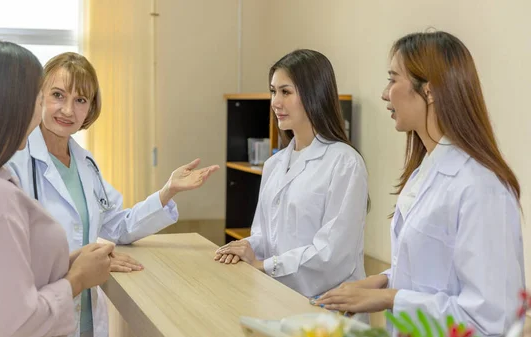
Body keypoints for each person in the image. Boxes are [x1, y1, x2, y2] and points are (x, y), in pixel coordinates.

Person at [314, 31, 524, 336]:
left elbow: (492, 318)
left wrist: (389, 298)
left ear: (430, 90)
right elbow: (432, 268)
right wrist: (383, 280)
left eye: (393, 79)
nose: (385, 94)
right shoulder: (426, 169)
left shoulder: (481, 186)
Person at [7, 52, 219, 337]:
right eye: (58, 95)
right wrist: (82, 264)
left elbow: (118, 225)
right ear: (39, 96)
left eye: (80, 100)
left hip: (83, 319)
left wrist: (168, 191)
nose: (68, 110)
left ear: (90, 108)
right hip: (34, 319)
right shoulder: (14, 161)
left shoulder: (85, 164)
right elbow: (8, 255)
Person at [0, 40, 113, 337]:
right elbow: (16, 320)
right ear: (11, 106)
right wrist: (78, 278)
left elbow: (6, 272)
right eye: (42, 97)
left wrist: (73, 261)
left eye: (80, 100)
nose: (47, 107)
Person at [215, 49, 369, 299]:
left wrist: (263, 266)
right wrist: (244, 248)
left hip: (325, 309)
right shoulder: (274, 164)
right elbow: (265, 235)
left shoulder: (344, 162)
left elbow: (332, 255)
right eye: (273, 91)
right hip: (276, 297)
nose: (275, 102)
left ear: (314, 95)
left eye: (285, 92)